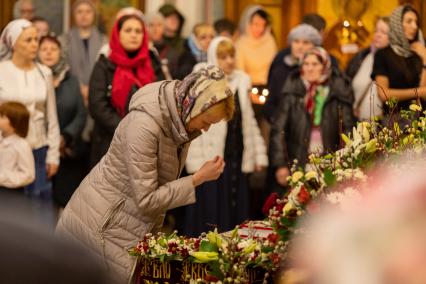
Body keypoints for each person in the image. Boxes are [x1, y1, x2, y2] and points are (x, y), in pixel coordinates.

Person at [56, 66, 234, 283]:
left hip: (125, 226)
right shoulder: (144, 126)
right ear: (193, 105)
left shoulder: (179, 122)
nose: (205, 129)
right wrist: (197, 178)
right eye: (206, 122)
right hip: (102, 226)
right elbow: (147, 199)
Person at [184, 37, 268, 236]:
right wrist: (195, 159)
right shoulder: (202, 78)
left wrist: (257, 155)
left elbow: (248, 120)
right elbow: (193, 120)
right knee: (210, 206)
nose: (229, 61)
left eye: (231, 56)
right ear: (214, 57)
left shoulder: (242, 80)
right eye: (223, 57)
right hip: (210, 153)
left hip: (236, 153)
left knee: (234, 206)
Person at [268, 47, 354, 195]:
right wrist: (281, 164)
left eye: (315, 64)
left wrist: (344, 161)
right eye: (306, 64)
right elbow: (278, 130)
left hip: (330, 160)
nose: (310, 68)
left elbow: (347, 129)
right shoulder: (292, 90)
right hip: (299, 158)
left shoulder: (337, 90)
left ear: (325, 66)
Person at [0, 19, 60, 197]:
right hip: (7, 149)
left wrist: (53, 155)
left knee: (36, 209)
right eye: (28, 40)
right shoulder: (1, 71)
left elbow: (52, 117)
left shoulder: (44, 72)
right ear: (14, 43)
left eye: (36, 39)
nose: (35, 44)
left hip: (38, 147)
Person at [89, 14, 158, 167]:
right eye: (128, 30)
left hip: (147, 143)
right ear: (117, 34)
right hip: (110, 142)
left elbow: (161, 100)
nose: (133, 35)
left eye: (138, 31)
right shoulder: (104, 64)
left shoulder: (153, 62)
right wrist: (126, 129)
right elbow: (97, 106)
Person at [38, 34, 87, 209]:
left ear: (61, 53)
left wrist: (64, 137)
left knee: (66, 204)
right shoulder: (32, 79)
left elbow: (81, 114)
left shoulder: (72, 80)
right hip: (39, 150)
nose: (49, 53)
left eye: (53, 49)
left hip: (68, 150)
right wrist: (51, 141)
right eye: (44, 49)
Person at [372, 5, 426, 125]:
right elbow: (383, 94)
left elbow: (423, 92)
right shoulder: (383, 55)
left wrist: (425, 59)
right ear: (397, 24)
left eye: (416, 22)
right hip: (395, 122)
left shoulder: (418, 52)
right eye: (409, 21)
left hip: (420, 121)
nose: (415, 27)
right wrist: (419, 92)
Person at [264, 24, 323, 123]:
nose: (300, 46)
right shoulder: (280, 69)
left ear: (315, 46)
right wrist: (278, 122)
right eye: (296, 41)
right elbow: (270, 104)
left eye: (305, 42)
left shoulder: (323, 69)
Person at [60, 0, 108, 106]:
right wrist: (80, 87)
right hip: (72, 94)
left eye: (88, 11)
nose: (84, 15)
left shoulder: (104, 41)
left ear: (93, 15)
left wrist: (92, 87)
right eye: (79, 11)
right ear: (74, 15)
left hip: (98, 93)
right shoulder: (64, 40)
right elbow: (63, 67)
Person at [346, 17, 390, 121]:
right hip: (359, 123)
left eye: (383, 32)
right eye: (376, 31)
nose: (378, 35)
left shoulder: (395, 63)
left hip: (384, 126)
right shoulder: (362, 57)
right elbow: (347, 85)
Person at [236, 5, 277, 89]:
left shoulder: (269, 40)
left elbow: (275, 66)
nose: (260, 29)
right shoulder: (241, 44)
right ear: (248, 23)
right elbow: (240, 72)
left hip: (269, 86)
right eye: (256, 24)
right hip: (249, 87)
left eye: (263, 25)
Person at [0, 102, 34, 191]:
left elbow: (28, 175)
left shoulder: (22, 145)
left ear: (14, 122)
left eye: (2, 117)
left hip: (9, 193)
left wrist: (3, 177)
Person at [158, 4, 186, 77]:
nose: (174, 20)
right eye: (169, 17)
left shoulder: (186, 43)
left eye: (176, 18)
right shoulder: (156, 44)